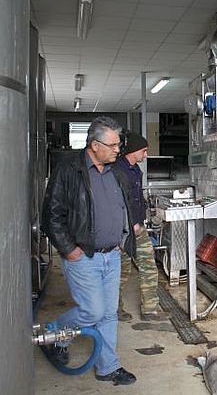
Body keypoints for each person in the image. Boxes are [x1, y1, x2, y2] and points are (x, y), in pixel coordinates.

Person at [41, 116, 137, 386]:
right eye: (114, 145)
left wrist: (122, 237)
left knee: (108, 314)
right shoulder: (68, 169)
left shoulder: (116, 169)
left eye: (119, 144)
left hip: (112, 255)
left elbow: (123, 205)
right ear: (95, 145)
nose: (118, 149)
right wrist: (69, 250)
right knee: (93, 312)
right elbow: (52, 215)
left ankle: (108, 367)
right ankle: (55, 332)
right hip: (83, 256)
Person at [116, 132, 169, 322]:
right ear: (132, 151)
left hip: (138, 229)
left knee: (148, 266)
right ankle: (114, 309)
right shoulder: (117, 171)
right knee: (121, 272)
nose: (145, 155)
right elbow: (118, 204)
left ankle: (150, 309)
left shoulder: (135, 169)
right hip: (122, 231)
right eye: (143, 151)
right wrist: (131, 225)